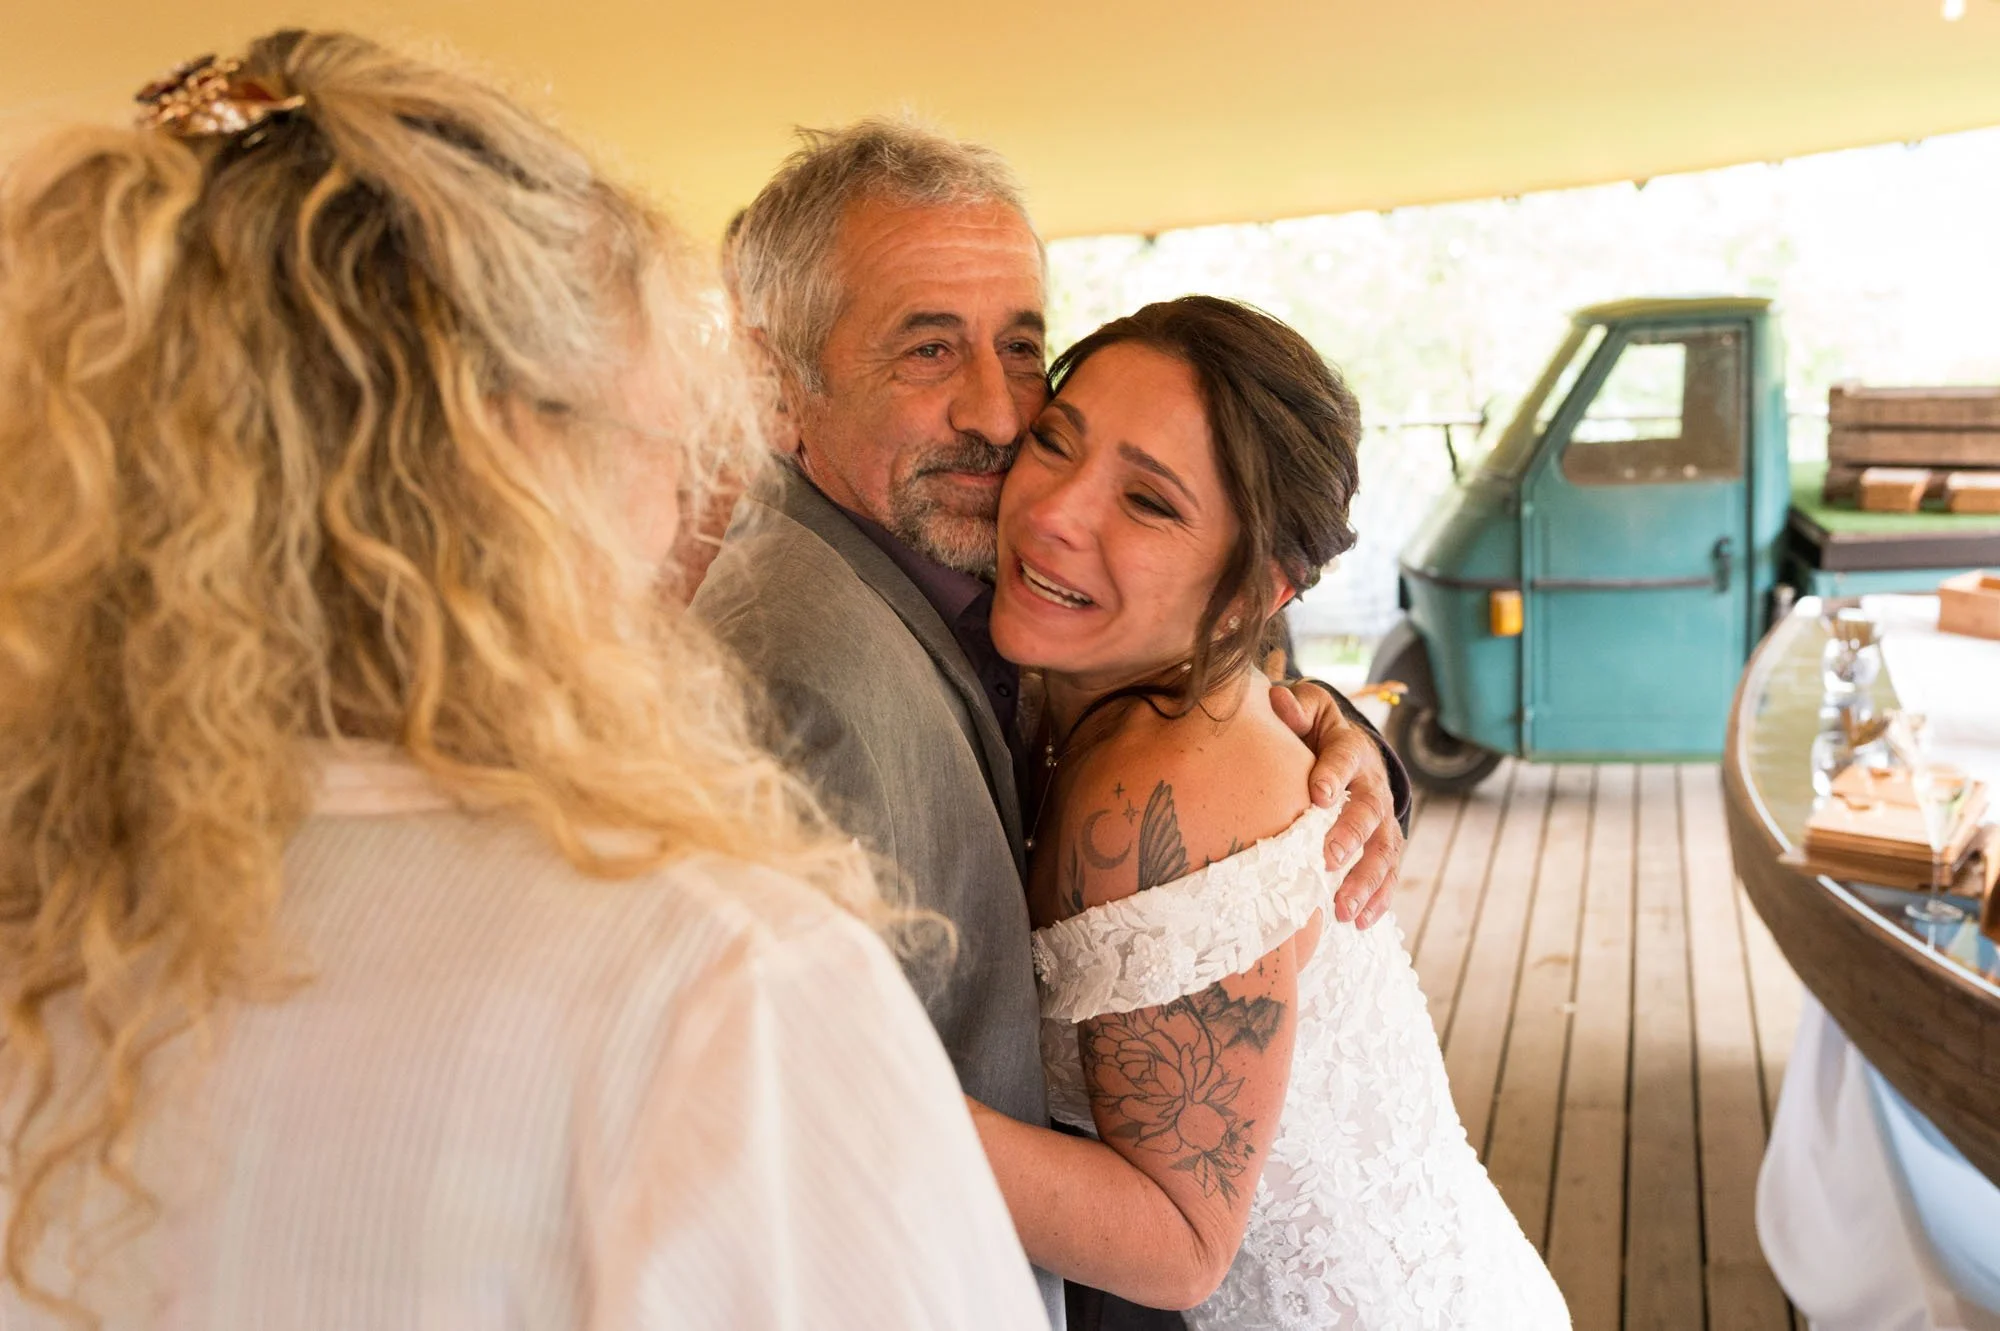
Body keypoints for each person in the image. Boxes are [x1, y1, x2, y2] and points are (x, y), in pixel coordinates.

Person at [0, 32, 1046, 1330]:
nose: (680, 520)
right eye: (664, 445)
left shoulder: (55, 925)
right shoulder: (716, 985)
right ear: (514, 466)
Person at [693, 117, 1412, 1330]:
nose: (999, 417)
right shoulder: (799, 669)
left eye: (1022, 349)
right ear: (774, 387)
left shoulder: (993, 590)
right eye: (928, 350)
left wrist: (1338, 736)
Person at [969, 296, 1572, 1330]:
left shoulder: (1160, 786)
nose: (1056, 511)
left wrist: (843, 1076)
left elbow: (1178, 1244)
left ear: (1256, 588)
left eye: (1148, 503)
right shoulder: (1107, 684)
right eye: (1053, 441)